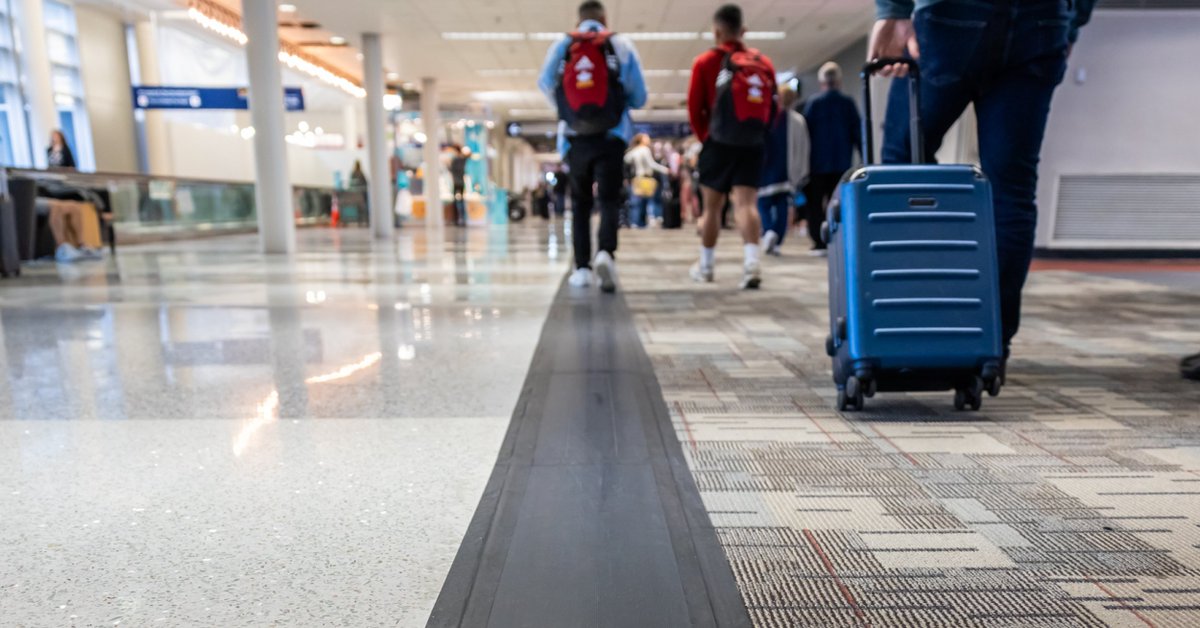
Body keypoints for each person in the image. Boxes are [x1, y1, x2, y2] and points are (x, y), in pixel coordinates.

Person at [871, 0, 1095, 375]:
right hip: (1043, 19)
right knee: (1012, 189)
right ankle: (992, 342)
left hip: (952, 15)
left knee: (902, 167)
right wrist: (1071, 22)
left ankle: (907, 323)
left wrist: (893, 11)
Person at [538, 0, 647, 293]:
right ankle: (606, 254)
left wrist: (568, 111)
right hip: (612, 136)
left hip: (574, 139)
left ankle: (583, 268)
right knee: (610, 199)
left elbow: (545, 83)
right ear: (604, 19)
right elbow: (639, 97)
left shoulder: (562, 45)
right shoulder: (620, 45)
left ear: (579, 21)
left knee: (581, 203)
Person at [687, 3, 777, 289]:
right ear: (743, 31)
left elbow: (695, 107)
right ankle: (751, 264)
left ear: (716, 31)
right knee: (746, 203)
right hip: (752, 142)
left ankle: (706, 266)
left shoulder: (705, 62)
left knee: (712, 208)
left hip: (718, 142)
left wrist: (706, 137)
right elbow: (773, 110)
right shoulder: (763, 63)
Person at [801, 62, 861, 256]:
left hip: (816, 165)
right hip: (841, 164)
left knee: (815, 204)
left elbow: (805, 136)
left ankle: (819, 242)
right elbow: (858, 134)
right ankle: (839, 239)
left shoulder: (813, 103)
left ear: (821, 82)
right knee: (839, 203)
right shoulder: (848, 103)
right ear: (839, 81)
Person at [757, 84, 810, 256]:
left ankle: (768, 231)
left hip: (766, 170)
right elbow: (804, 148)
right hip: (788, 172)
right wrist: (802, 171)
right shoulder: (798, 120)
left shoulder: (767, 117)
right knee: (782, 205)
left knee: (763, 204)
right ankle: (778, 240)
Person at [624, 133, 669, 228]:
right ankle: (641, 222)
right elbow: (651, 164)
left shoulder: (634, 150)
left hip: (636, 178)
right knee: (646, 202)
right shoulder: (645, 149)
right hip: (646, 178)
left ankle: (635, 222)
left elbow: (626, 159)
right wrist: (665, 170)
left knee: (636, 202)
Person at [449, 145, 470, 226]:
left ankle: (457, 219)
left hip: (456, 182)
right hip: (461, 182)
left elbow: (451, 169)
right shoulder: (463, 159)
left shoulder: (456, 160)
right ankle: (463, 218)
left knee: (456, 201)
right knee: (461, 200)